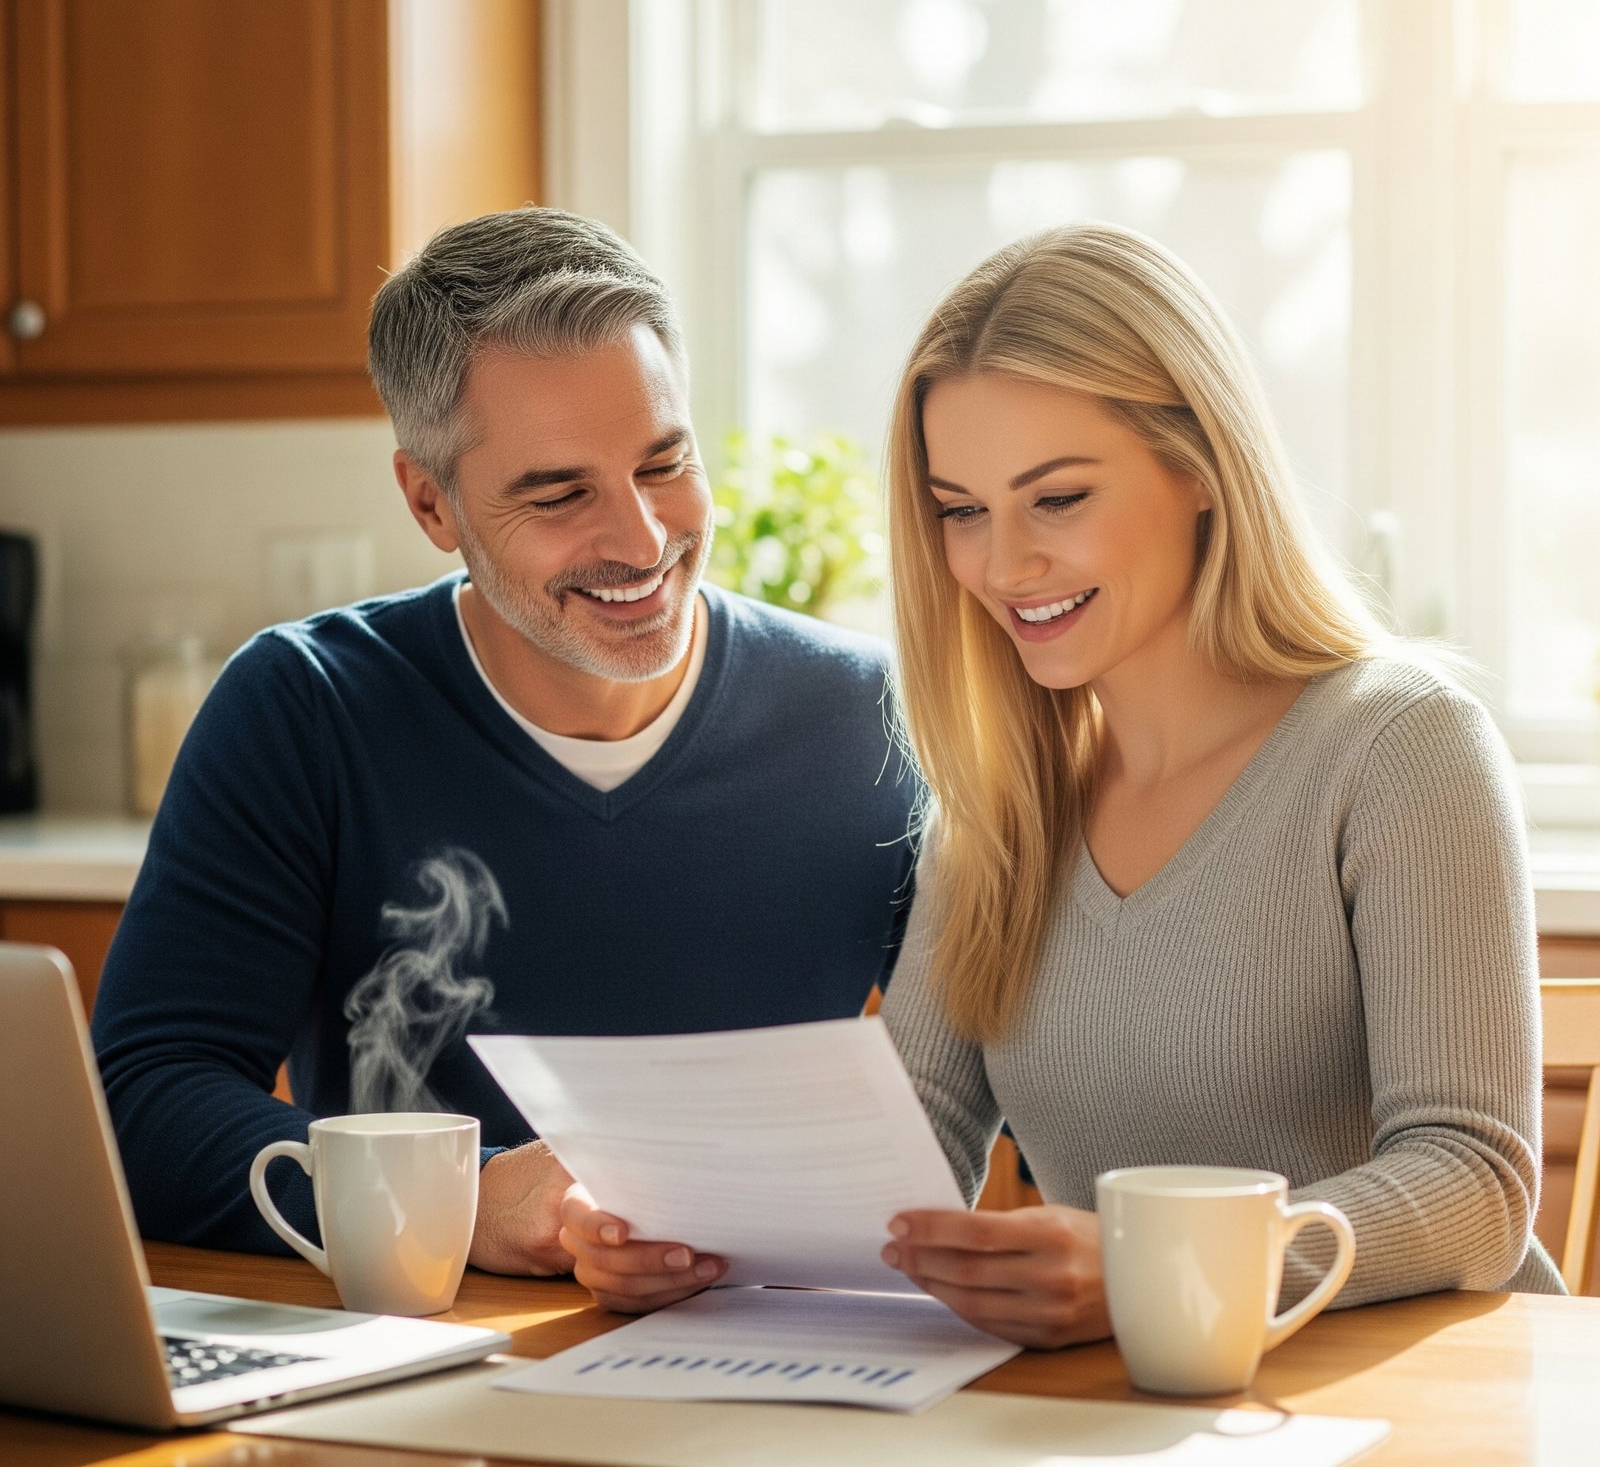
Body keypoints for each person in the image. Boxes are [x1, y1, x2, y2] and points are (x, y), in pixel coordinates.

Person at [559, 222, 1563, 1332]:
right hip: (1130, 1412)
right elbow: (918, 1137)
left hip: (1417, 1410)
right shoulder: (999, 801)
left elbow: (1476, 1184)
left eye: (1059, 498)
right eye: (962, 510)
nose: (1002, 565)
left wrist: (1161, 1266)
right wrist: (702, 1244)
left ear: (1200, 469)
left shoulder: (1402, 746)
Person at [92, 206, 917, 1276]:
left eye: (663, 462)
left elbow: (976, 1087)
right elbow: (147, 1098)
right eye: (561, 492)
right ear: (430, 501)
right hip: (433, 1363)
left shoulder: (866, 716)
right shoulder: (306, 710)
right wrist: (456, 1202)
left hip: (778, 1347)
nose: (641, 539)